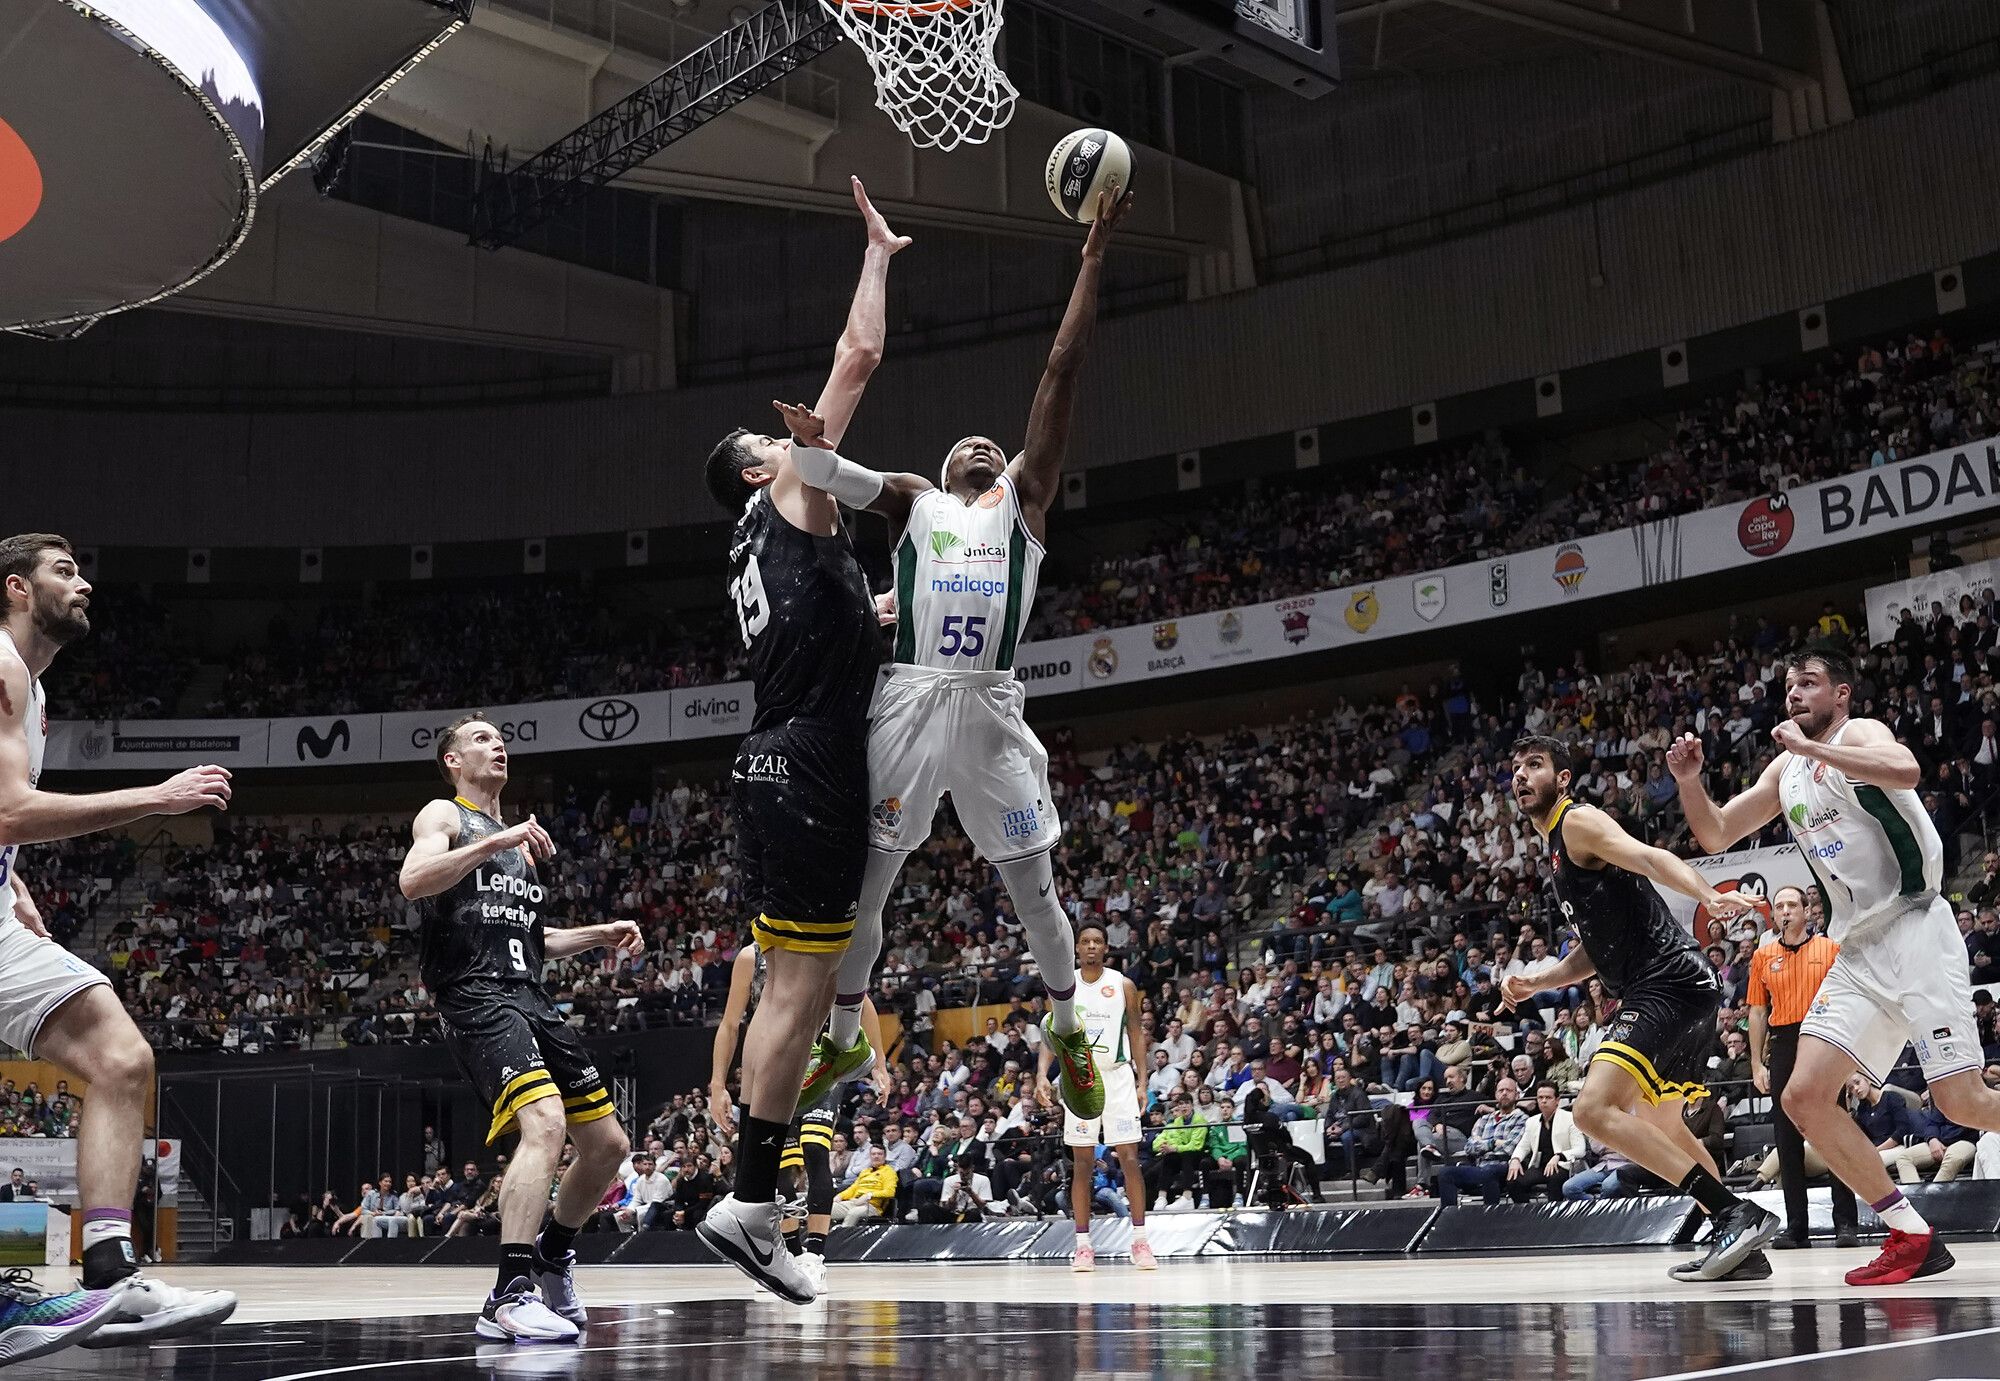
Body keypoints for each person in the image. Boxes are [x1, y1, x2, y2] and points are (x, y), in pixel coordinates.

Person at [781, 190, 1136, 1128]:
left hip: (988, 706)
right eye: (964, 443)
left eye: (992, 441)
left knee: (1033, 885)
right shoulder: (913, 501)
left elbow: (1061, 368)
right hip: (908, 699)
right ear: (942, 471)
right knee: (872, 880)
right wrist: (808, 448)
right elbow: (828, 478)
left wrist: (1093, 256)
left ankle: (1068, 1031)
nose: (981, 443)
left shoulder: (1023, 503)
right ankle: (849, 1032)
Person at [695, 181, 909, 1307]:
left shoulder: (766, 546)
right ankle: (747, 1201)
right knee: (800, 989)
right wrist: (874, 255)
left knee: (797, 981)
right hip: (813, 760)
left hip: (775, 751)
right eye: (771, 447)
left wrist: (889, 615)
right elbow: (858, 355)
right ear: (756, 467)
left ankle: (751, 1197)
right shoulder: (788, 489)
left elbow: (841, 624)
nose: (790, 451)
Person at [1671, 648, 2000, 1285]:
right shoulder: (1784, 771)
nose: (1794, 694)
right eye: (1789, 685)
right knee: (1803, 1096)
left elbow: (1905, 769)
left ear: (1841, 695)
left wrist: (1816, 751)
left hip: (1917, 925)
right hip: (1857, 948)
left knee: (1962, 1100)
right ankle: (1912, 1236)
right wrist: (1690, 781)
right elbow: (1715, 835)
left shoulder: (1861, 735)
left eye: (1810, 684)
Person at [0, 533, 239, 1358]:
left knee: (120, 1058)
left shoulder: (31, 687)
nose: (86, 582)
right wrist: (158, 798)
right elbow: (7, 807)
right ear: (18, 589)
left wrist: (14, 877)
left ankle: (108, 1278)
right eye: (63, 570)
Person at [399, 714, 640, 1343]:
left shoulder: (517, 844)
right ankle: (508, 1293)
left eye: (500, 737)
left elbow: (535, 940)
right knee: (546, 1124)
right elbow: (413, 880)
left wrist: (598, 935)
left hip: (529, 995)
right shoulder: (444, 816)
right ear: (453, 762)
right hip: (476, 996)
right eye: (479, 739)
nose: (496, 743)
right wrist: (492, 845)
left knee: (609, 1146)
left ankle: (555, 1254)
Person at [1501, 735, 1776, 1282]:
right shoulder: (1558, 849)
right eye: (1516, 766)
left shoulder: (1576, 821)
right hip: (1679, 985)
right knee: (1665, 1129)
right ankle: (1743, 1247)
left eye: (1535, 764)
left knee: (1592, 1110)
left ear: (1562, 779)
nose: (1521, 774)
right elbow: (1593, 952)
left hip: (1667, 983)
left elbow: (1651, 857)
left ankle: (1732, 1213)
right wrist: (1539, 983)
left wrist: (1707, 893)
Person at [708, 938, 891, 1294]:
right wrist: (717, 1083)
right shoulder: (751, 956)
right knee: (778, 1167)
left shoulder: (820, 944)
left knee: (816, 1150)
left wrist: (880, 1064)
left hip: (824, 1060)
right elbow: (730, 1025)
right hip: (777, 1064)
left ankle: (816, 1257)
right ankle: (787, 1256)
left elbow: (861, 1001)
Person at [1744, 884, 1858, 1249]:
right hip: (1783, 1042)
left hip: (1822, 1039)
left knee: (1833, 1129)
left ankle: (1846, 1224)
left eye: (1793, 904)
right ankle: (1797, 1229)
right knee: (1785, 1137)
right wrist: (1755, 1062)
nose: (1786, 911)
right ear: (1774, 915)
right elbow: (1757, 1011)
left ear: (1807, 912)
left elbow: (1847, 1002)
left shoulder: (1830, 950)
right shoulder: (1762, 956)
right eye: (1780, 906)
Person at [1037, 920, 1155, 1272]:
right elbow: (1051, 1034)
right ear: (1076, 948)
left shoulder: (1123, 985)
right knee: (1082, 1164)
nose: (1091, 946)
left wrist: (1142, 1081)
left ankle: (1140, 1241)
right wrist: (1042, 1074)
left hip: (1118, 1076)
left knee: (1130, 1158)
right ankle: (1083, 1246)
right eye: (1085, 941)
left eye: (1097, 941)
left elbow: (1136, 1032)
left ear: (1106, 947)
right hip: (1080, 1077)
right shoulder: (1063, 985)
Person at [1507, 1082, 1585, 1202]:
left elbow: (1580, 1149)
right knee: (1513, 1181)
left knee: (1555, 1179)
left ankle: (1554, 1217)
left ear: (1557, 1100)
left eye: (1548, 1098)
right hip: (1540, 1167)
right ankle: (1529, 1216)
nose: (1543, 1101)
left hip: (1564, 1166)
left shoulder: (1570, 1118)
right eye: (1540, 1098)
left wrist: (1559, 1156)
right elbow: (1523, 1146)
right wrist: (1515, 1159)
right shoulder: (1531, 1121)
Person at [831, 1146, 897, 1227]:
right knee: (829, 1208)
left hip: (871, 1206)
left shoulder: (889, 1171)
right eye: (873, 1154)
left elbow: (890, 1192)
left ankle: (842, 1237)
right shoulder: (865, 1171)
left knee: (854, 1213)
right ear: (870, 1156)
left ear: (884, 1156)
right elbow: (853, 1189)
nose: (876, 1156)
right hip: (854, 1202)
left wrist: (868, 1195)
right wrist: (839, 1196)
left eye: (879, 1154)